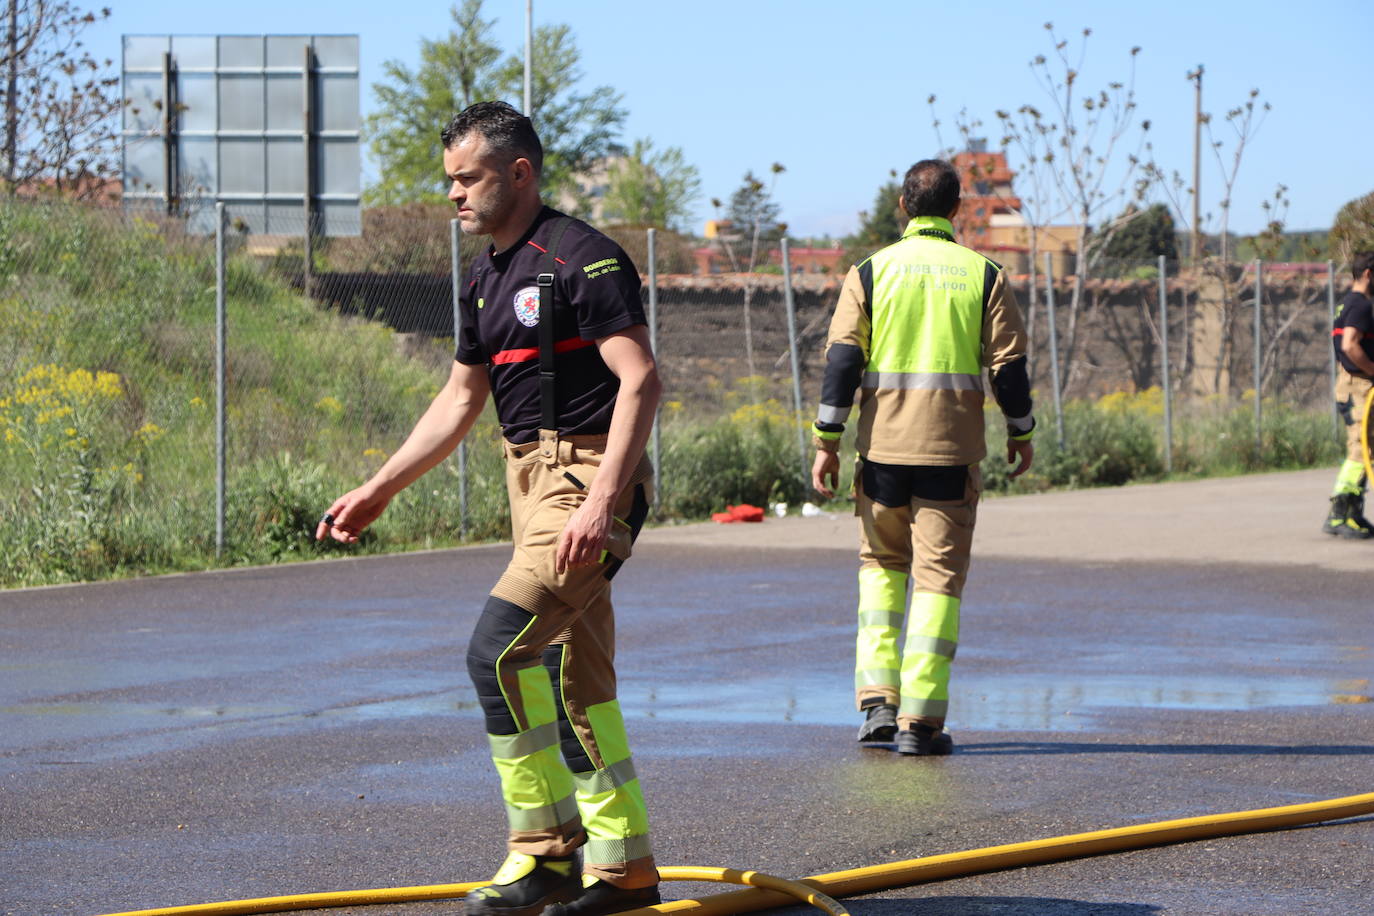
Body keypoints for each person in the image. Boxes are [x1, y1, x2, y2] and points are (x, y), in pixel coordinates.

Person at [317, 101, 661, 916]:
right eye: (448, 181)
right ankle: (625, 871)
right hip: (529, 484)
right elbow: (460, 398)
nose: (454, 196)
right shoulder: (483, 277)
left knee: (497, 654)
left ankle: (545, 853)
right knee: (577, 682)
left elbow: (641, 378)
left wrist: (599, 504)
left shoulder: (585, 257)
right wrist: (379, 488)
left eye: (468, 178)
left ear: (519, 173)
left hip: (586, 479)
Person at [810, 159, 1035, 757]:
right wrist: (1022, 430)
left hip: (882, 451)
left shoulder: (870, 272)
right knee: (937, 580)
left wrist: (826, 441)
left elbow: (841, 363)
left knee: (882, 567)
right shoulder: (983, 274)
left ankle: (878, 705)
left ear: (903, 206)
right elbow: (1008, 368)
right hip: (951, 454)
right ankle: (920, 724)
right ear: (956, 209)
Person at [1324, 251, 1374, 539]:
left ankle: (1353, 513)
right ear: (1368, 274)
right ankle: (1339, 515)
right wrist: (1372, 370)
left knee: (1365, 448)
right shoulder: (1361, 306)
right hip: (1359, 386)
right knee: (1359, 449)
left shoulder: (1346, 303)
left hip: (1352, 382)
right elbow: (1350, 345)